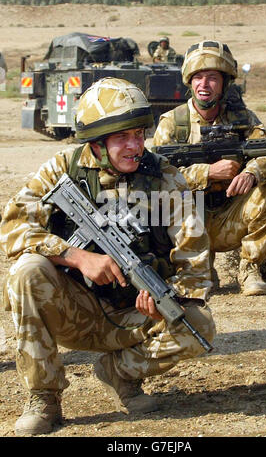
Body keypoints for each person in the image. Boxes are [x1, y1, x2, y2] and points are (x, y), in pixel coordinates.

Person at [0, 77, 215, 436]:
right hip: (73, 310)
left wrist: (164, 298)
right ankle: (44, 397)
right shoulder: (63, 169)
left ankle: (120, 372)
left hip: (132, 315)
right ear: (97, 143)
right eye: (122, 138)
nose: (135, 146)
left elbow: (196, 266)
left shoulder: (167, 179)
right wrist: (75, 256)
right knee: (27, 269)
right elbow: (12, 229)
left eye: (139, 134)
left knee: (198, 326)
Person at [153, 40, 266, 296]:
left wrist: (251, 173)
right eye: (198, 77)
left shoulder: (242, 119)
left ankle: (249, 268)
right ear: (189, 81)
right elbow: (158, 174)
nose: (204, 85)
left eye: (212, 78)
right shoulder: (173, 123)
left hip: (230, 215)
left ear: (225, 83)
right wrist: (208, 172)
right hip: (191, 221)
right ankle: (201, 267)